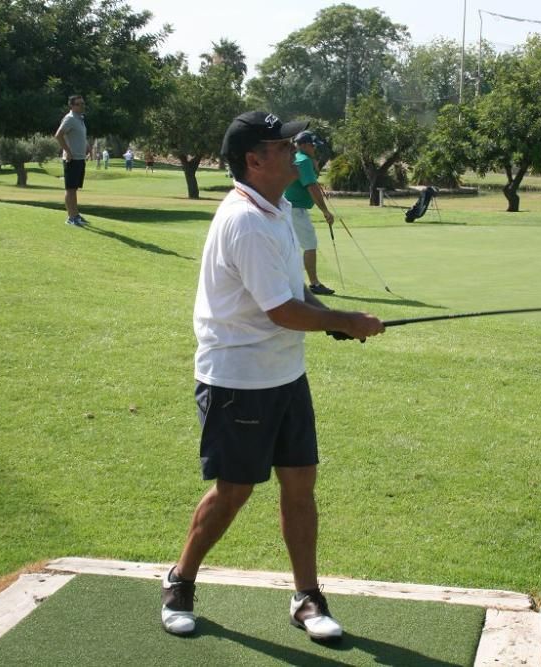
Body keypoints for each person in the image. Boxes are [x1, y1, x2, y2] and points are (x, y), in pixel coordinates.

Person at [160, 111, 385, 641]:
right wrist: (345, 322)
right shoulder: (245, 220)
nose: (294, 150)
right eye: (282, 145)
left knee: (300, 486)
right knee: (233, 491)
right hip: (238, 378)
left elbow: (292, 292)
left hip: (285, 374)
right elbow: (280, 311)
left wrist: (334, 323)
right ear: (253, 160)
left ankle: (307, 597)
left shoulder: (278, 208)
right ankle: (180, 580)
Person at [284, 131, 336, 295]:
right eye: (313, 145)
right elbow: (311, 187)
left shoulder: (296, 158)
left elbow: (310, 182)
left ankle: (288, 282)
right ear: (304, 145)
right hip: (296, 209)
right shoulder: (304, 160)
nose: (315, 148)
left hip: (287, 208)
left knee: (290, 247)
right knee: (310, 245)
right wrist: (325, 211)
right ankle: (314, 284)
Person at [54, 95, 88, 227]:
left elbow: (79, 136)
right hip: (71, 159)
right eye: (79, 104)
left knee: (75, 189)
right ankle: (71, 217)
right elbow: (58, 135)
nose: (82, 106)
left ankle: (75, 214)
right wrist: (68, 151)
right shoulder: (69, 118)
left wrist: (87, 145)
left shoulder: (80, 119)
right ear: (72, 106)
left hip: (80, 158)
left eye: (83, 103)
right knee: (70, 189)